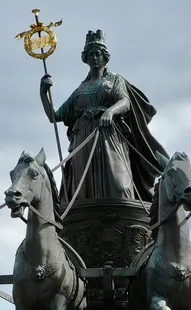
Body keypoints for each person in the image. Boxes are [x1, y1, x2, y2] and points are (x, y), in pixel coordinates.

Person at [40, 29, 168, 205]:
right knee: (83, 188)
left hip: (109, 136)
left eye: (98, 54)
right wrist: (43, 93)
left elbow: (125, 101)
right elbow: (54, 116)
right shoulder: (80, 90)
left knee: (119, 184)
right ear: (85, 58)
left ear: (105, 57)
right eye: (91, 54)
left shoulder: (115, 80)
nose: (94, 57)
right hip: (83, 137)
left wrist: (110, 111)